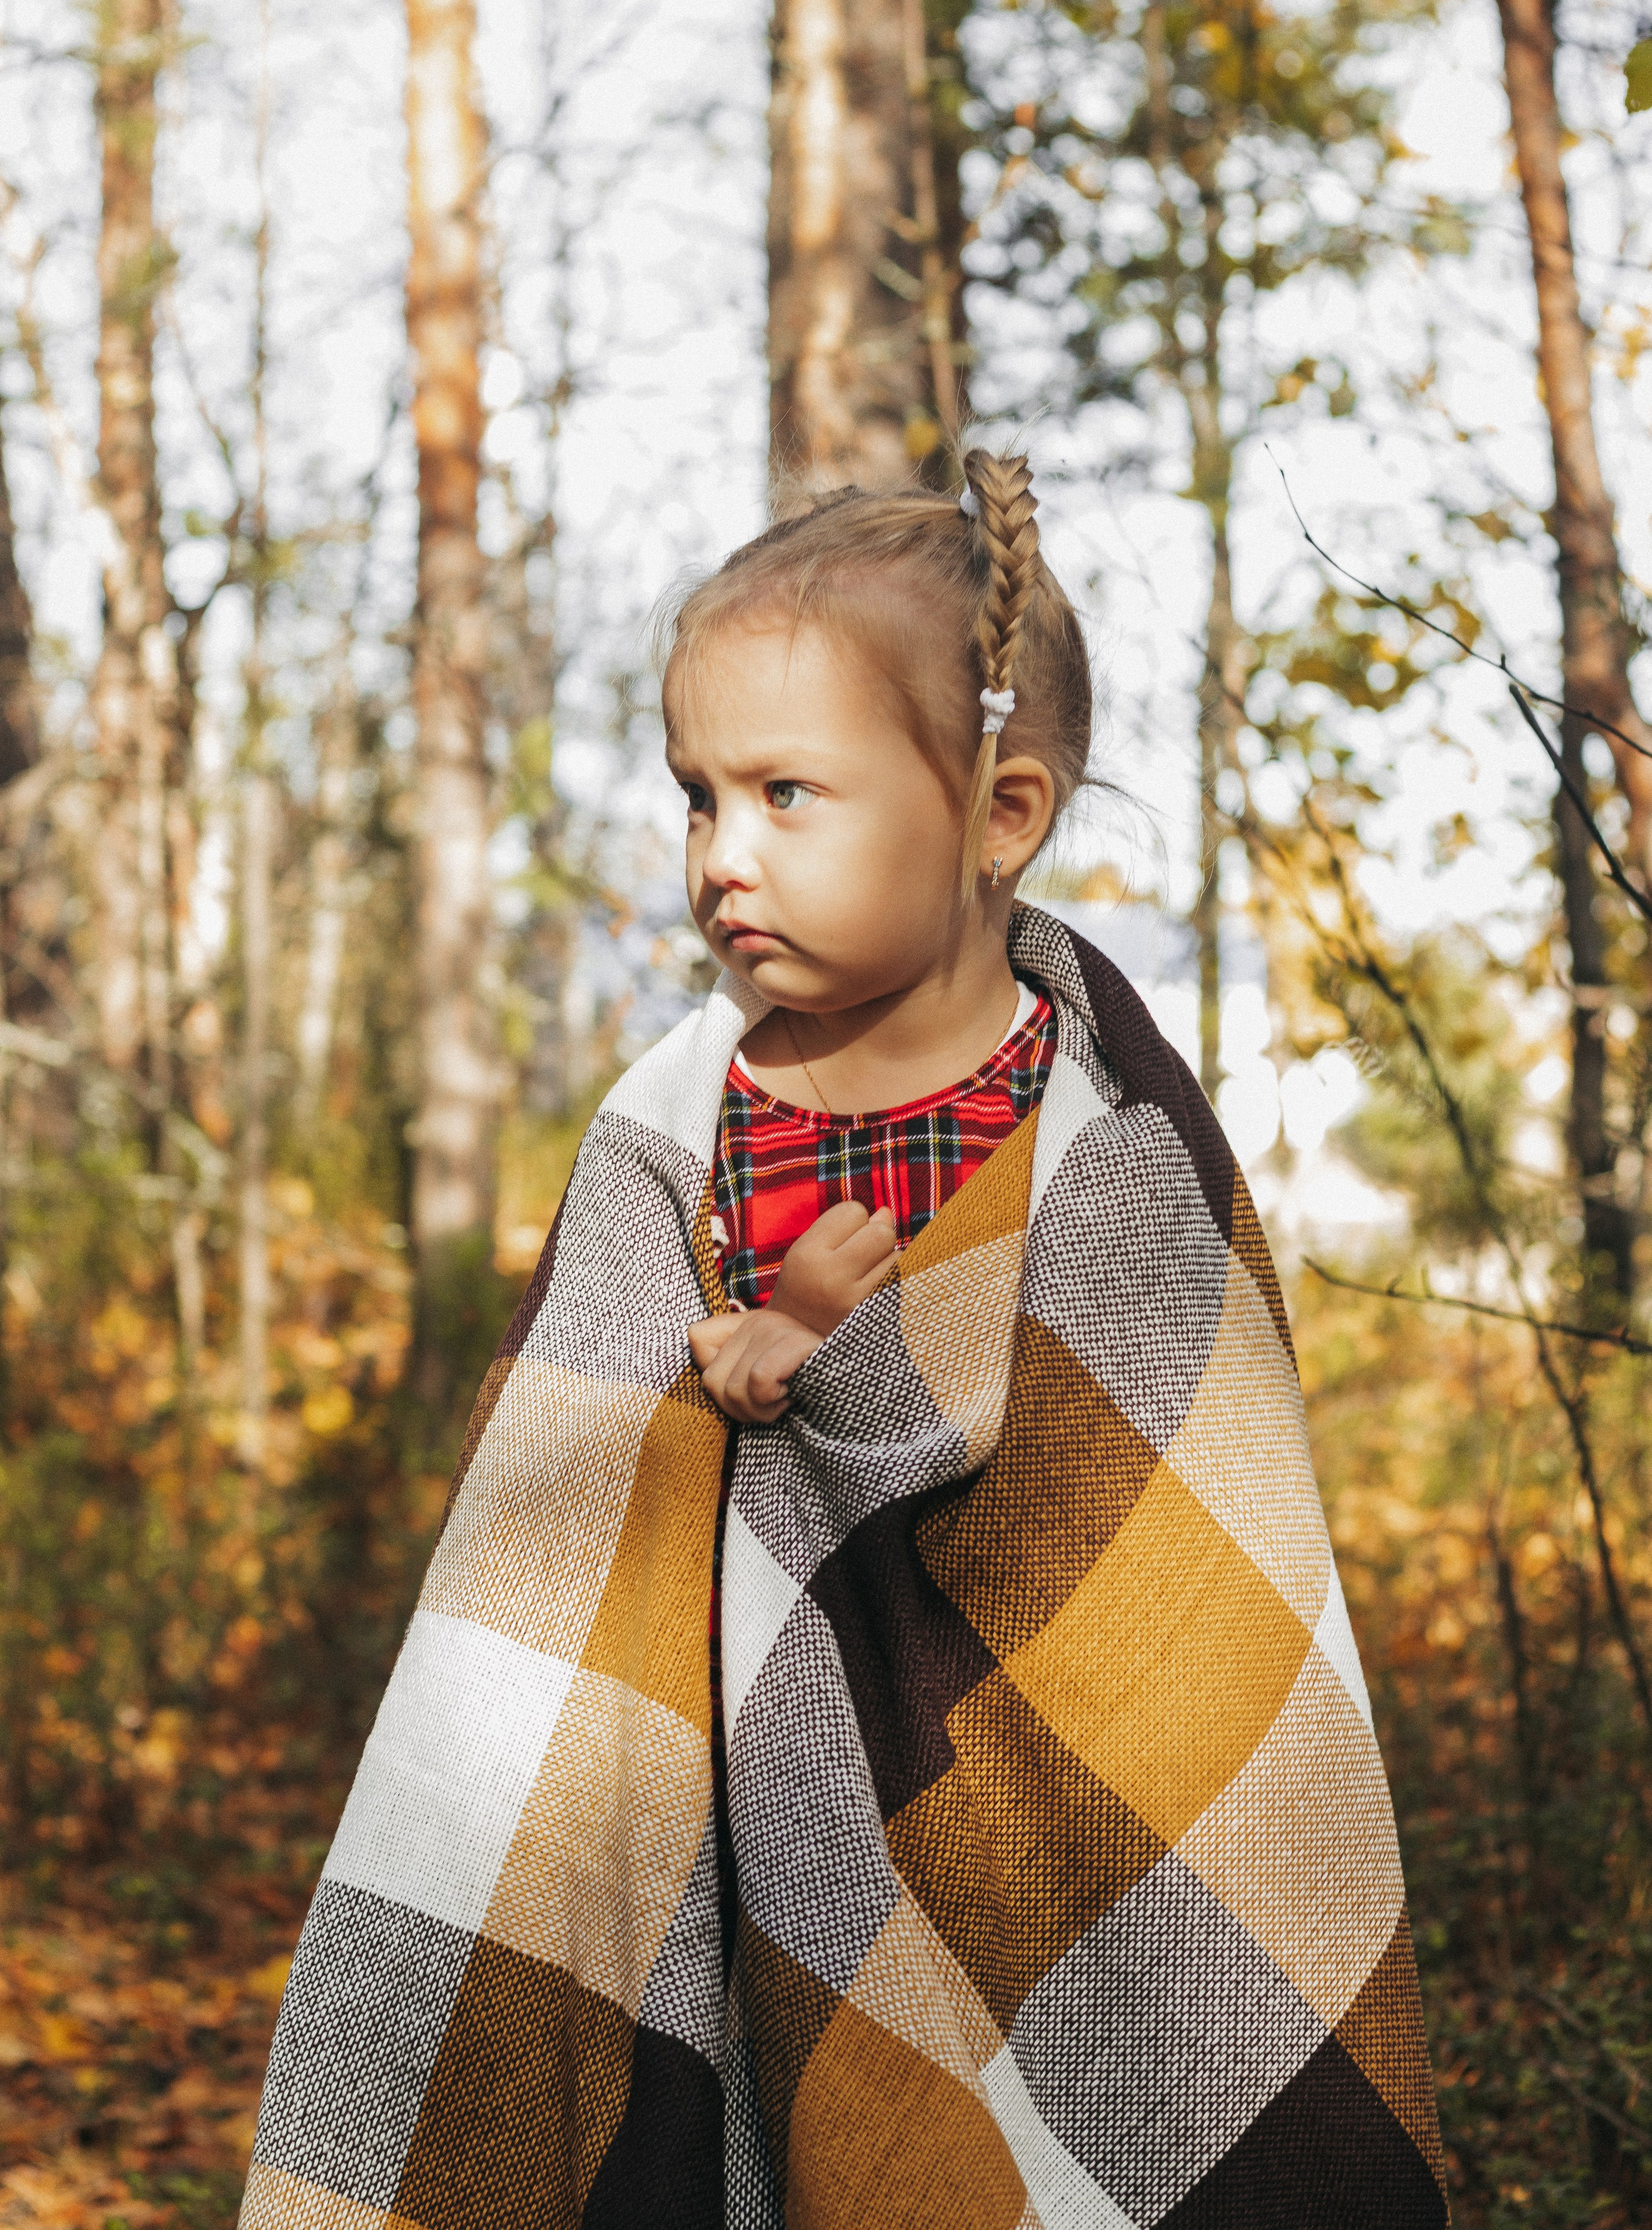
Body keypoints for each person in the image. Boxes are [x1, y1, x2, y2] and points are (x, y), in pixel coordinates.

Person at [241, 453, 1447, 2230]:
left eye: (787, 793)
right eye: (696, 798)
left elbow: (1165, 1517)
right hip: (727, 1779)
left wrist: (857, 1366)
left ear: (1000, 810)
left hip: (1050, 1805)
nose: (724, 858)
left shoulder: (1109, 1145)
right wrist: (746, 1374)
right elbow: (589, 1501)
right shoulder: (678, 1124)